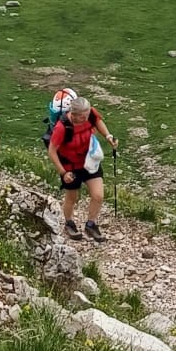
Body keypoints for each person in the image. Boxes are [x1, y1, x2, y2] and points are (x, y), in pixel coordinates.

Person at [48, 92, 117, 242]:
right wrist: (63, 172)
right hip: (70, 166)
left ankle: (91, 224)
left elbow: (98, 121)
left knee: (98, 195)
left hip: (90, 161)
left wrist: (108, 136)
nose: (86, 119)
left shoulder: (90, 113)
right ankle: (69, 223)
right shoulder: (62, 128)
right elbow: (52, 151)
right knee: (72, 197)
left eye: (87, 115)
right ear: (73, 114)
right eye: (82, 117)